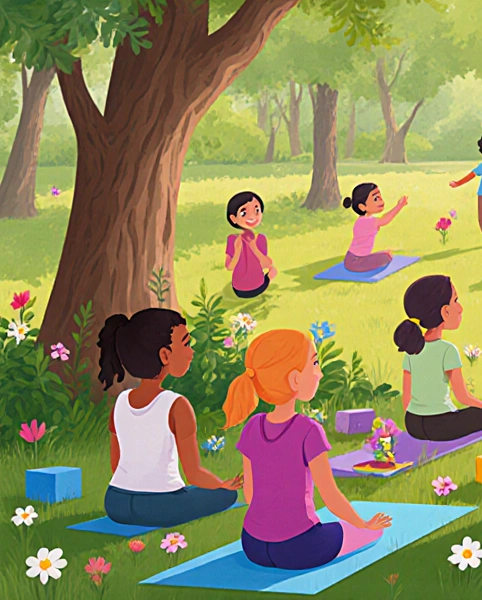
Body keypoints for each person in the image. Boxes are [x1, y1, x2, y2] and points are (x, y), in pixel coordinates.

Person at [224, 330, 391, 570]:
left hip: (253, 545)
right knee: (365, 533)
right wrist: (364, 525)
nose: (320, 373)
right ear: (294, 380)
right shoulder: (308, 430)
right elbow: (331, 497)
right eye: (314, 363)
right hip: (299, 548)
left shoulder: (252, 427)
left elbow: (250, 496)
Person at [97, 309, 241, 527]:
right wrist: (223, 485)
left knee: (197, 492)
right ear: (164, 355)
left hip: (116, 502)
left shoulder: (120, 402)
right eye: (186, 344)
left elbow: (116, 465)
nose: (191, 352)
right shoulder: (177, 405)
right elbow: (193, 474)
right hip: (161, 507)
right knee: (226, 495)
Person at [395, 274, 482, 441]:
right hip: (440, 426)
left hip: (413, 424)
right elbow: (462, 396)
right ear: (445, 311)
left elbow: (406, 398)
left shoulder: (411, 349)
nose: (460, 308)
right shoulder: (447, 350)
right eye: (456, 301)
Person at [342, 183, 407, 273]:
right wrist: (399, 205)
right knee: (387, 256)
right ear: (362, 207)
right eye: (375, 199)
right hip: (357, 262)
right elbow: (385, 219)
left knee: (385, 255)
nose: (381, 200)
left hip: (350, 259)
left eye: (380, 197)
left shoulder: (362, 220)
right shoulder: (369, 221)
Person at [225, 191, 274, 298]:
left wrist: (253, 246)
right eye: (244, 213)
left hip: (257, 286)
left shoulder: (260, 239)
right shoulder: (233, 240)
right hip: (239, 289)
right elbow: (229, 267)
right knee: (273, 270)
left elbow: (265, 263)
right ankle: (270, 276)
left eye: (256, 210)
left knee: (270, 266)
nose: (252, 217)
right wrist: (238, 250)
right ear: (233, 218)